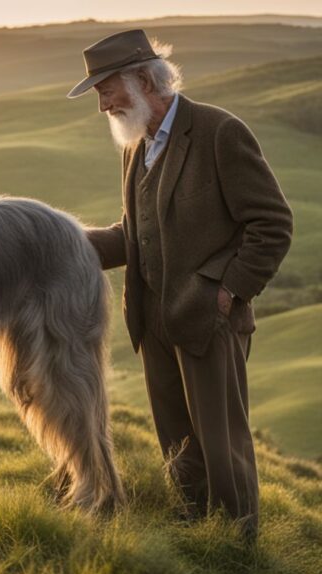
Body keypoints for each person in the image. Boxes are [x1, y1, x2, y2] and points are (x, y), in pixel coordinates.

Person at [68, 29, 293, 542]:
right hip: (154, 324)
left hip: (210, 320)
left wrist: (227, 291)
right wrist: (63, 243)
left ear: (144, 79)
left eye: (106, 89)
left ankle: (239, 546)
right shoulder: (137, 145)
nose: (102, 105)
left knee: (222, 444)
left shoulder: (218, 132)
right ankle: (197, 531)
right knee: (177, 440)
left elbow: (273, 224)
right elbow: (135, 232)